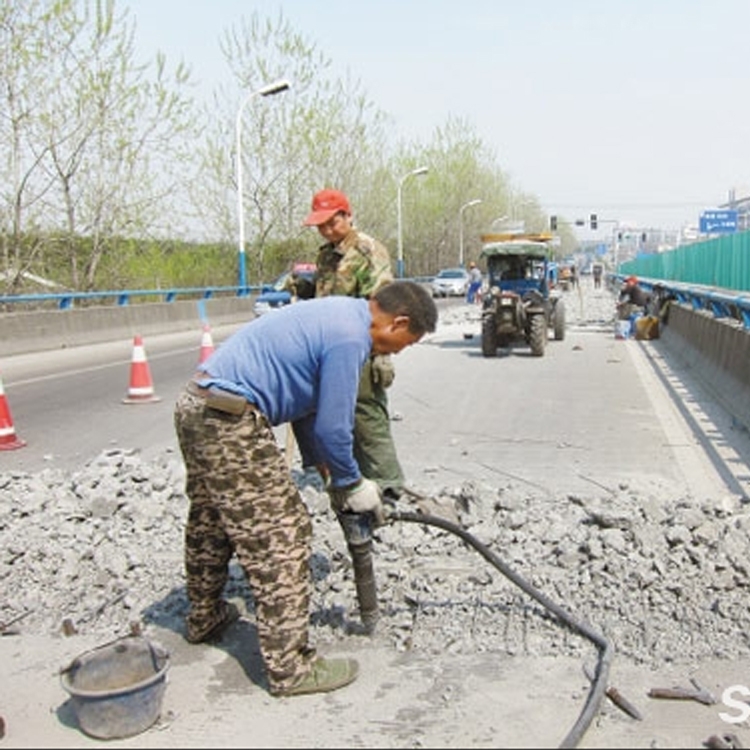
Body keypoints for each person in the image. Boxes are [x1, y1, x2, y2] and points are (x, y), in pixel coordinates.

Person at [173, 282, 438, 698]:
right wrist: (354, 484)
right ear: (398, 320)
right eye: (398, 345)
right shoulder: (353, 337)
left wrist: (328, 473)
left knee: (212, 521)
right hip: (230, 422)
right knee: (283, 534)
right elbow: (336, 427)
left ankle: (203, 617)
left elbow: (306, 409)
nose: (389, 353)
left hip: (197, 407)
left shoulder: (338, 314)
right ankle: (290, 668)